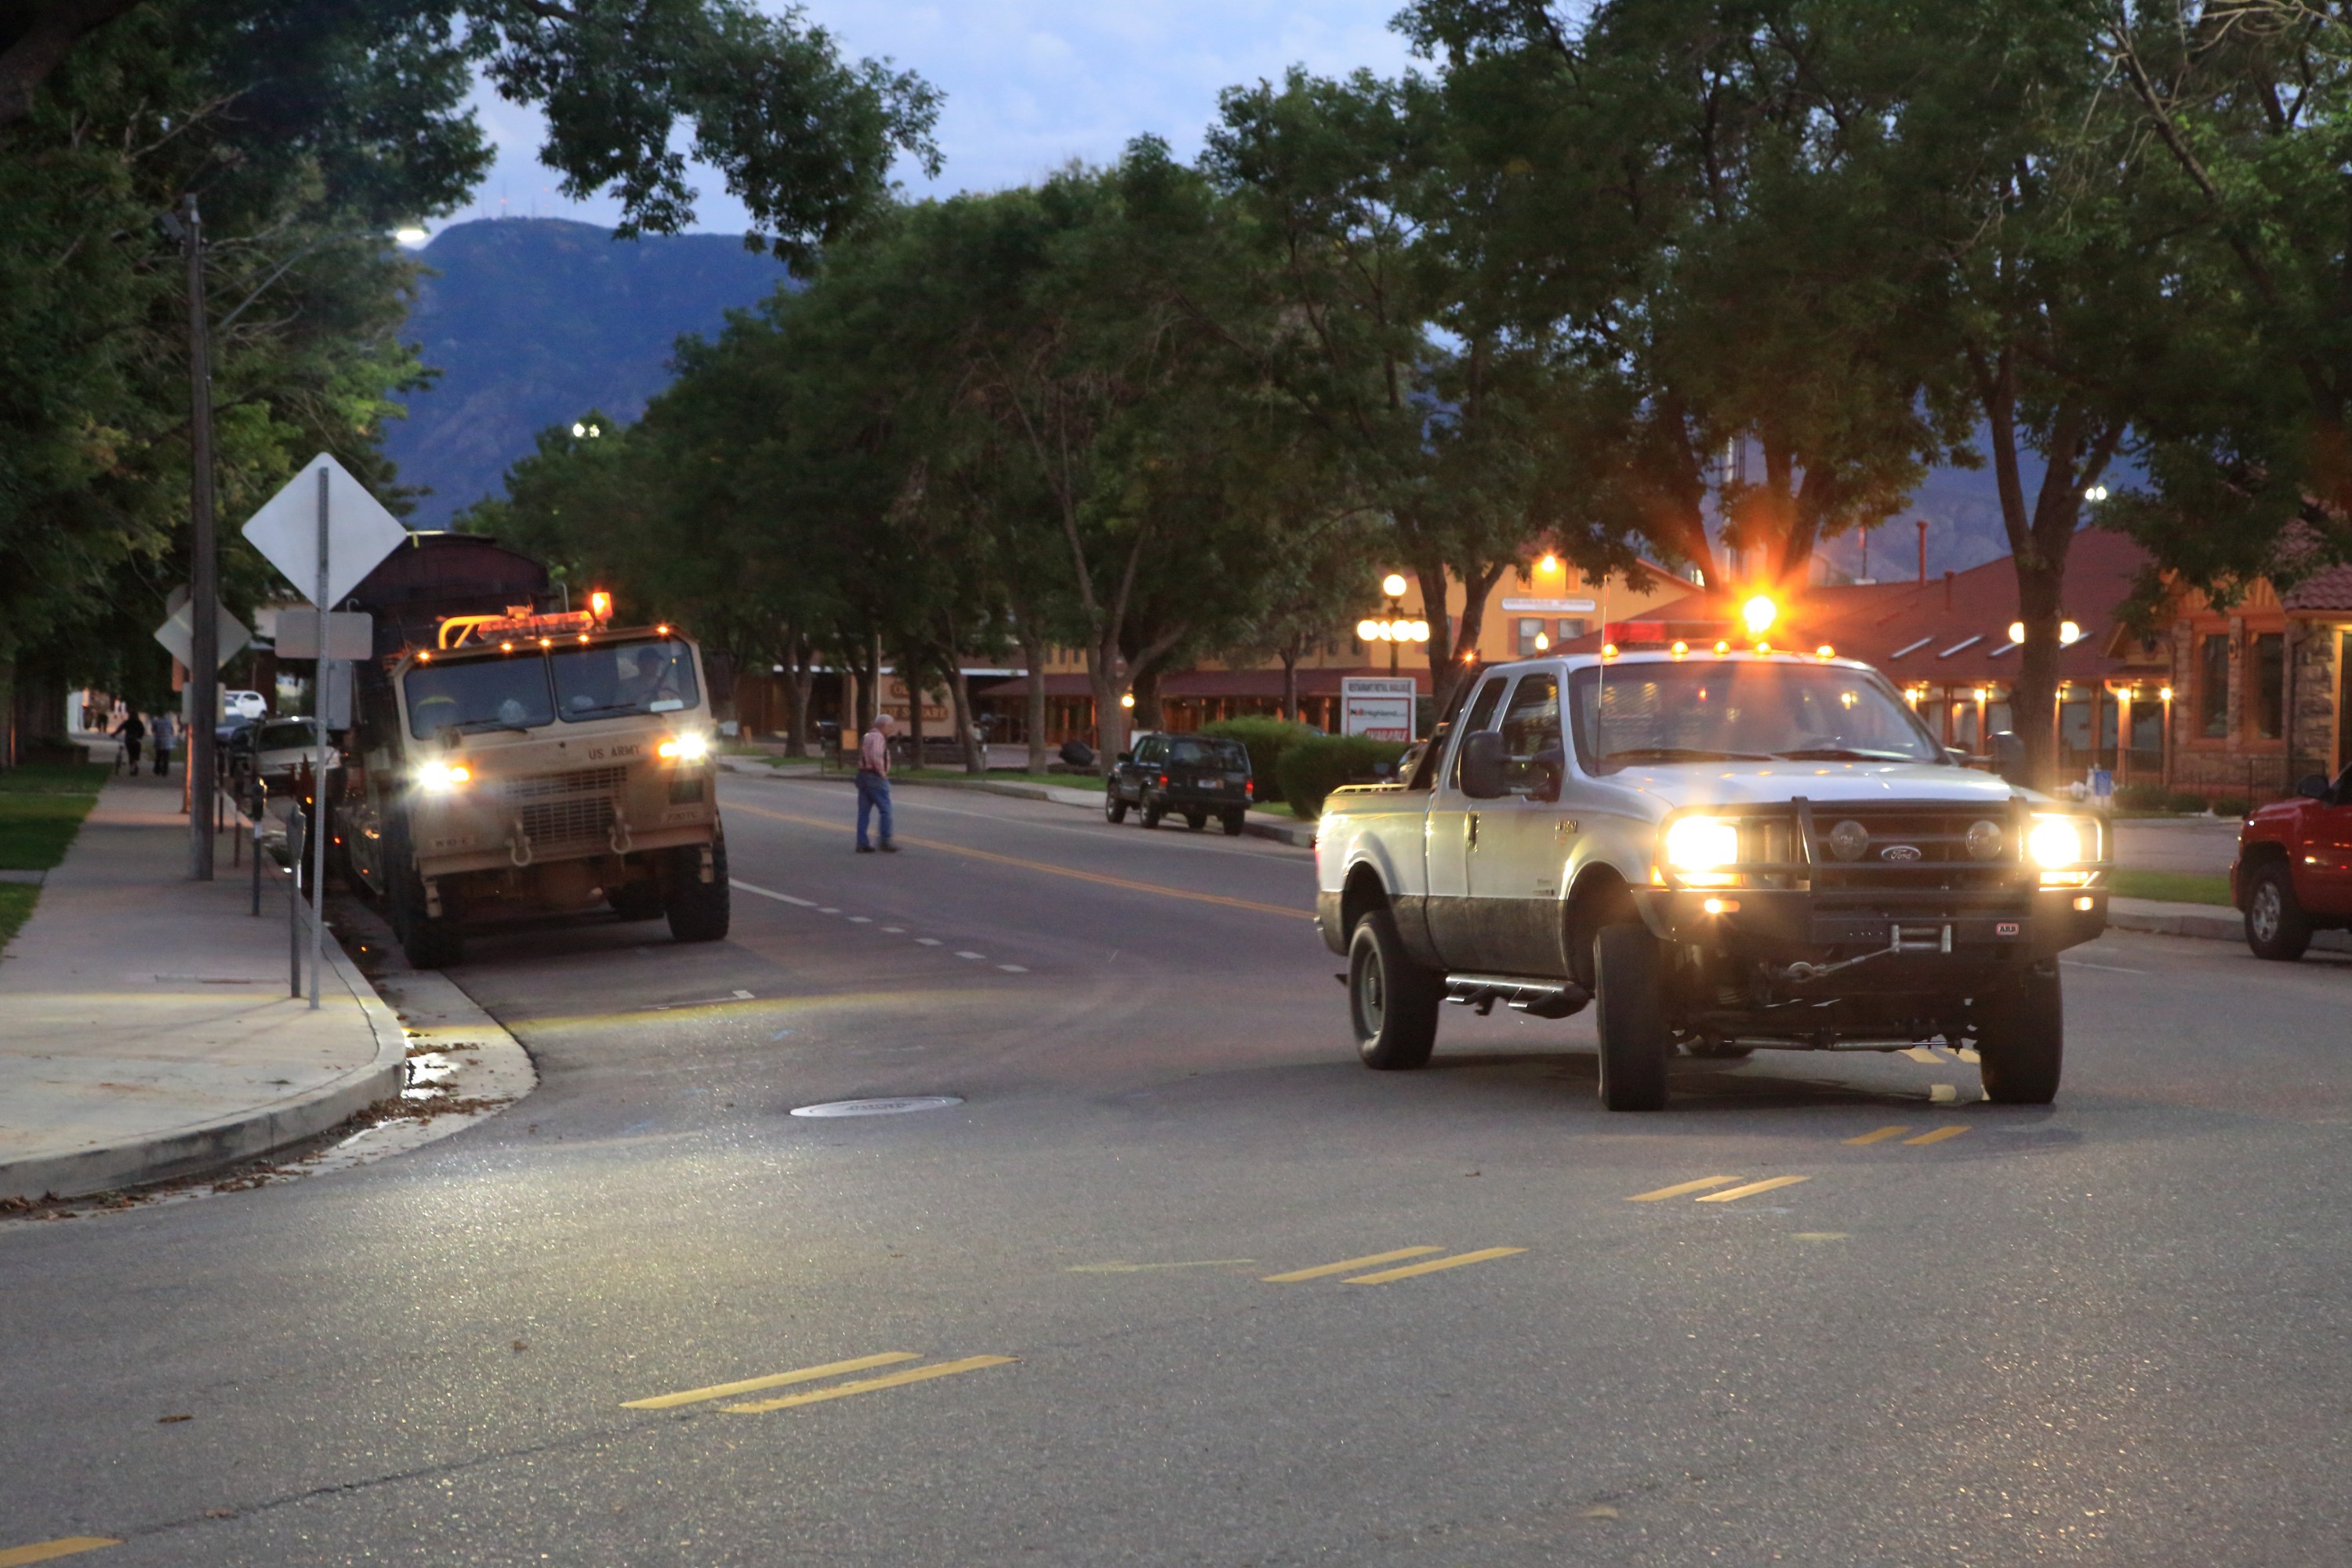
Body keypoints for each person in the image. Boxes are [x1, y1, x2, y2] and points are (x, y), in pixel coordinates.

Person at [855, 712, 897, 853]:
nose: (891, 730)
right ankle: (885, 841)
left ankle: (862, 843)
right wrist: (882, 773)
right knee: (886, 810)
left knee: (863, 812)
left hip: (863, 776)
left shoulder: (867, 737)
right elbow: (876, 756)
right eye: (890, 726)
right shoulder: (879, 737)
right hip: (875, 777)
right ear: (884, 726)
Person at [113, 710, 144, 774]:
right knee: (136, 754)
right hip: (137, 740)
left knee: (131, 754)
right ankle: (135, 765)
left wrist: (114, 734)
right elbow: (142, 731)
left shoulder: (127, 722)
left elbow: (120, 729)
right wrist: (139, 737)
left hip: (129, 740)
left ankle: (132, 769)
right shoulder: (139, 723)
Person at [150, 710, 175, 776]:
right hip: (167, 742)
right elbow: (172, 731)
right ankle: (165, 771)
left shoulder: (156, 722)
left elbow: (153, 730)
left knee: (158, 756)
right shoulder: (169, 722)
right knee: (166, 757)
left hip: (159, 741)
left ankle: (157, 770)